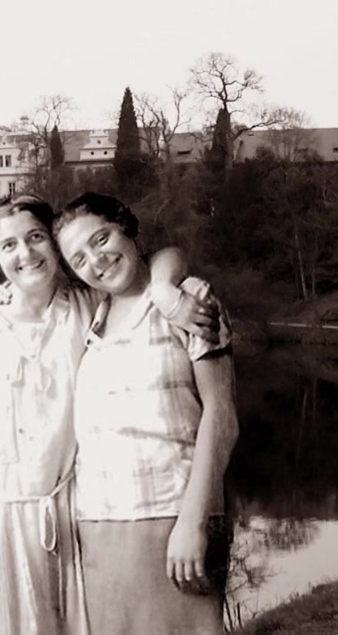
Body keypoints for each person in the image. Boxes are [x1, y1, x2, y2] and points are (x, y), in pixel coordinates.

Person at [0, 195, 219, 635]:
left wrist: (164, 291)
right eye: (9, 245)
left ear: (55, 248)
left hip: (62, 517)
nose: (25, 254)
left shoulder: (88, 307)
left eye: (36, 237)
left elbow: (159, 256)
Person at [54, 192, 238, 635]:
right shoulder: (90, 321)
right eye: (79, 259)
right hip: (99, 528)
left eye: (101, 239)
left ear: (126, 227)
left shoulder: (187, 301)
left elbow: (222, 418)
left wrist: (193, 522)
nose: (96, 261)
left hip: (176, 518)